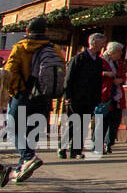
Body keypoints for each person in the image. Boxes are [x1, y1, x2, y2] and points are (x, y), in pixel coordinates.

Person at [4, 17, 63, 183]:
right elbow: (60, 71)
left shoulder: (21, 47)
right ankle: (23, 166)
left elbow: (10, 71)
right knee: (32, 132)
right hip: (44, 97)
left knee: (13, 129)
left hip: (23, 94)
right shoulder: (54, 49)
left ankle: (28, 157)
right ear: (45, 31)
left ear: (27, 31)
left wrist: (14, 91)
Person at [62, 32, 107, 159]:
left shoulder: (98, 61)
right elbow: (69, 77)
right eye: (101, 43)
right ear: (94, 43)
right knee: (73, 123)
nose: (103, 45)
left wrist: (97, 97)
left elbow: (98, 81)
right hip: (76, 96)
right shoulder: (79, 58)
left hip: (90, 97)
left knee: (83, 124)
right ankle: (62, 147)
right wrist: (67, 95)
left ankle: (76, 151)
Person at [101, 42, 127, 154]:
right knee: (103, 121)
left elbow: (123, 75)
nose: (121, 54)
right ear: (112, 52)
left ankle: (109, 143)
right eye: (119, 51)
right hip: (105, 94)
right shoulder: (102, 61)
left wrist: (121, 80)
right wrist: (106, 74)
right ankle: (99, 144)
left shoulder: (119, 63)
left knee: (115, 121)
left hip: (117, 95)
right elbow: (96, 74)